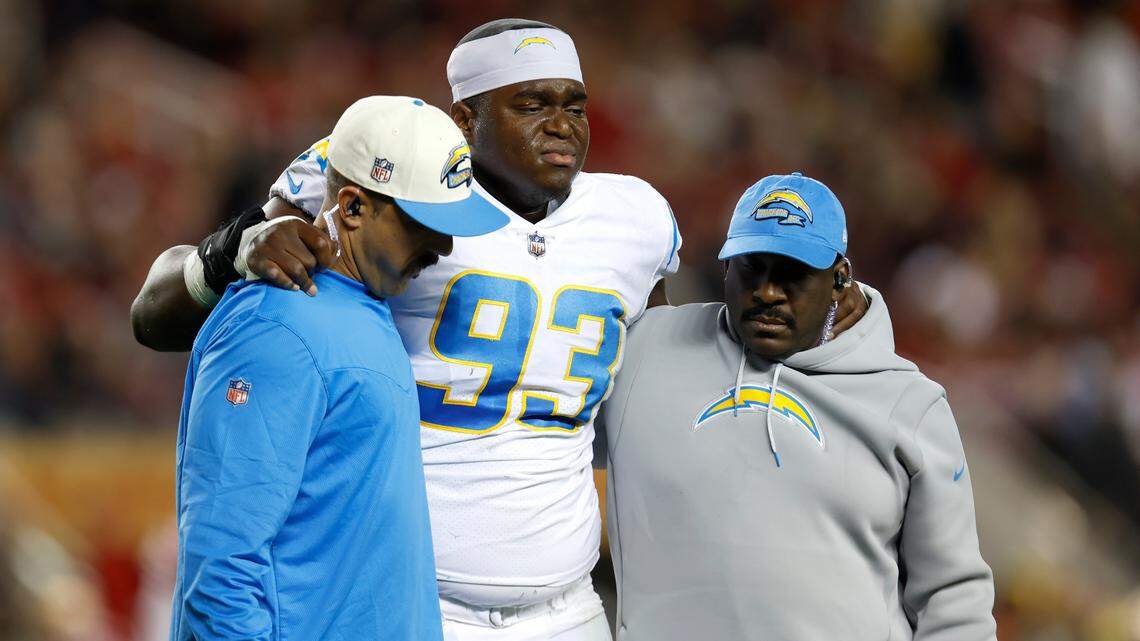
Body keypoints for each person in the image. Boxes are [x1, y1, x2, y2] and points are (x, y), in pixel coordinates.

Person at [131, 18, 868, 641]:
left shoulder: (633, 217)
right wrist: (231, 249)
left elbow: (655, 391)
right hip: (416, 603)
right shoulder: (387, 181)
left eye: (574, 105)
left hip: (570, 604)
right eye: (531, 104)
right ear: (464, 120)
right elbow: (156, 317)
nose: (562, 126)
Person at [600, 173, 997, 640]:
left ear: (840, 280)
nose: (768, 292)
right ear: (726, 268)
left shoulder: (909, 405)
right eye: (751, 268)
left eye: (792, 275)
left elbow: (953, 599)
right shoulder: (646, 352)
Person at [170, 96, 507, 641]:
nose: (444, 245)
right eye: (425, 222)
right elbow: (220, 566)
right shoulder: (278, 324)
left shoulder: (363, 306)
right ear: (352, 207)